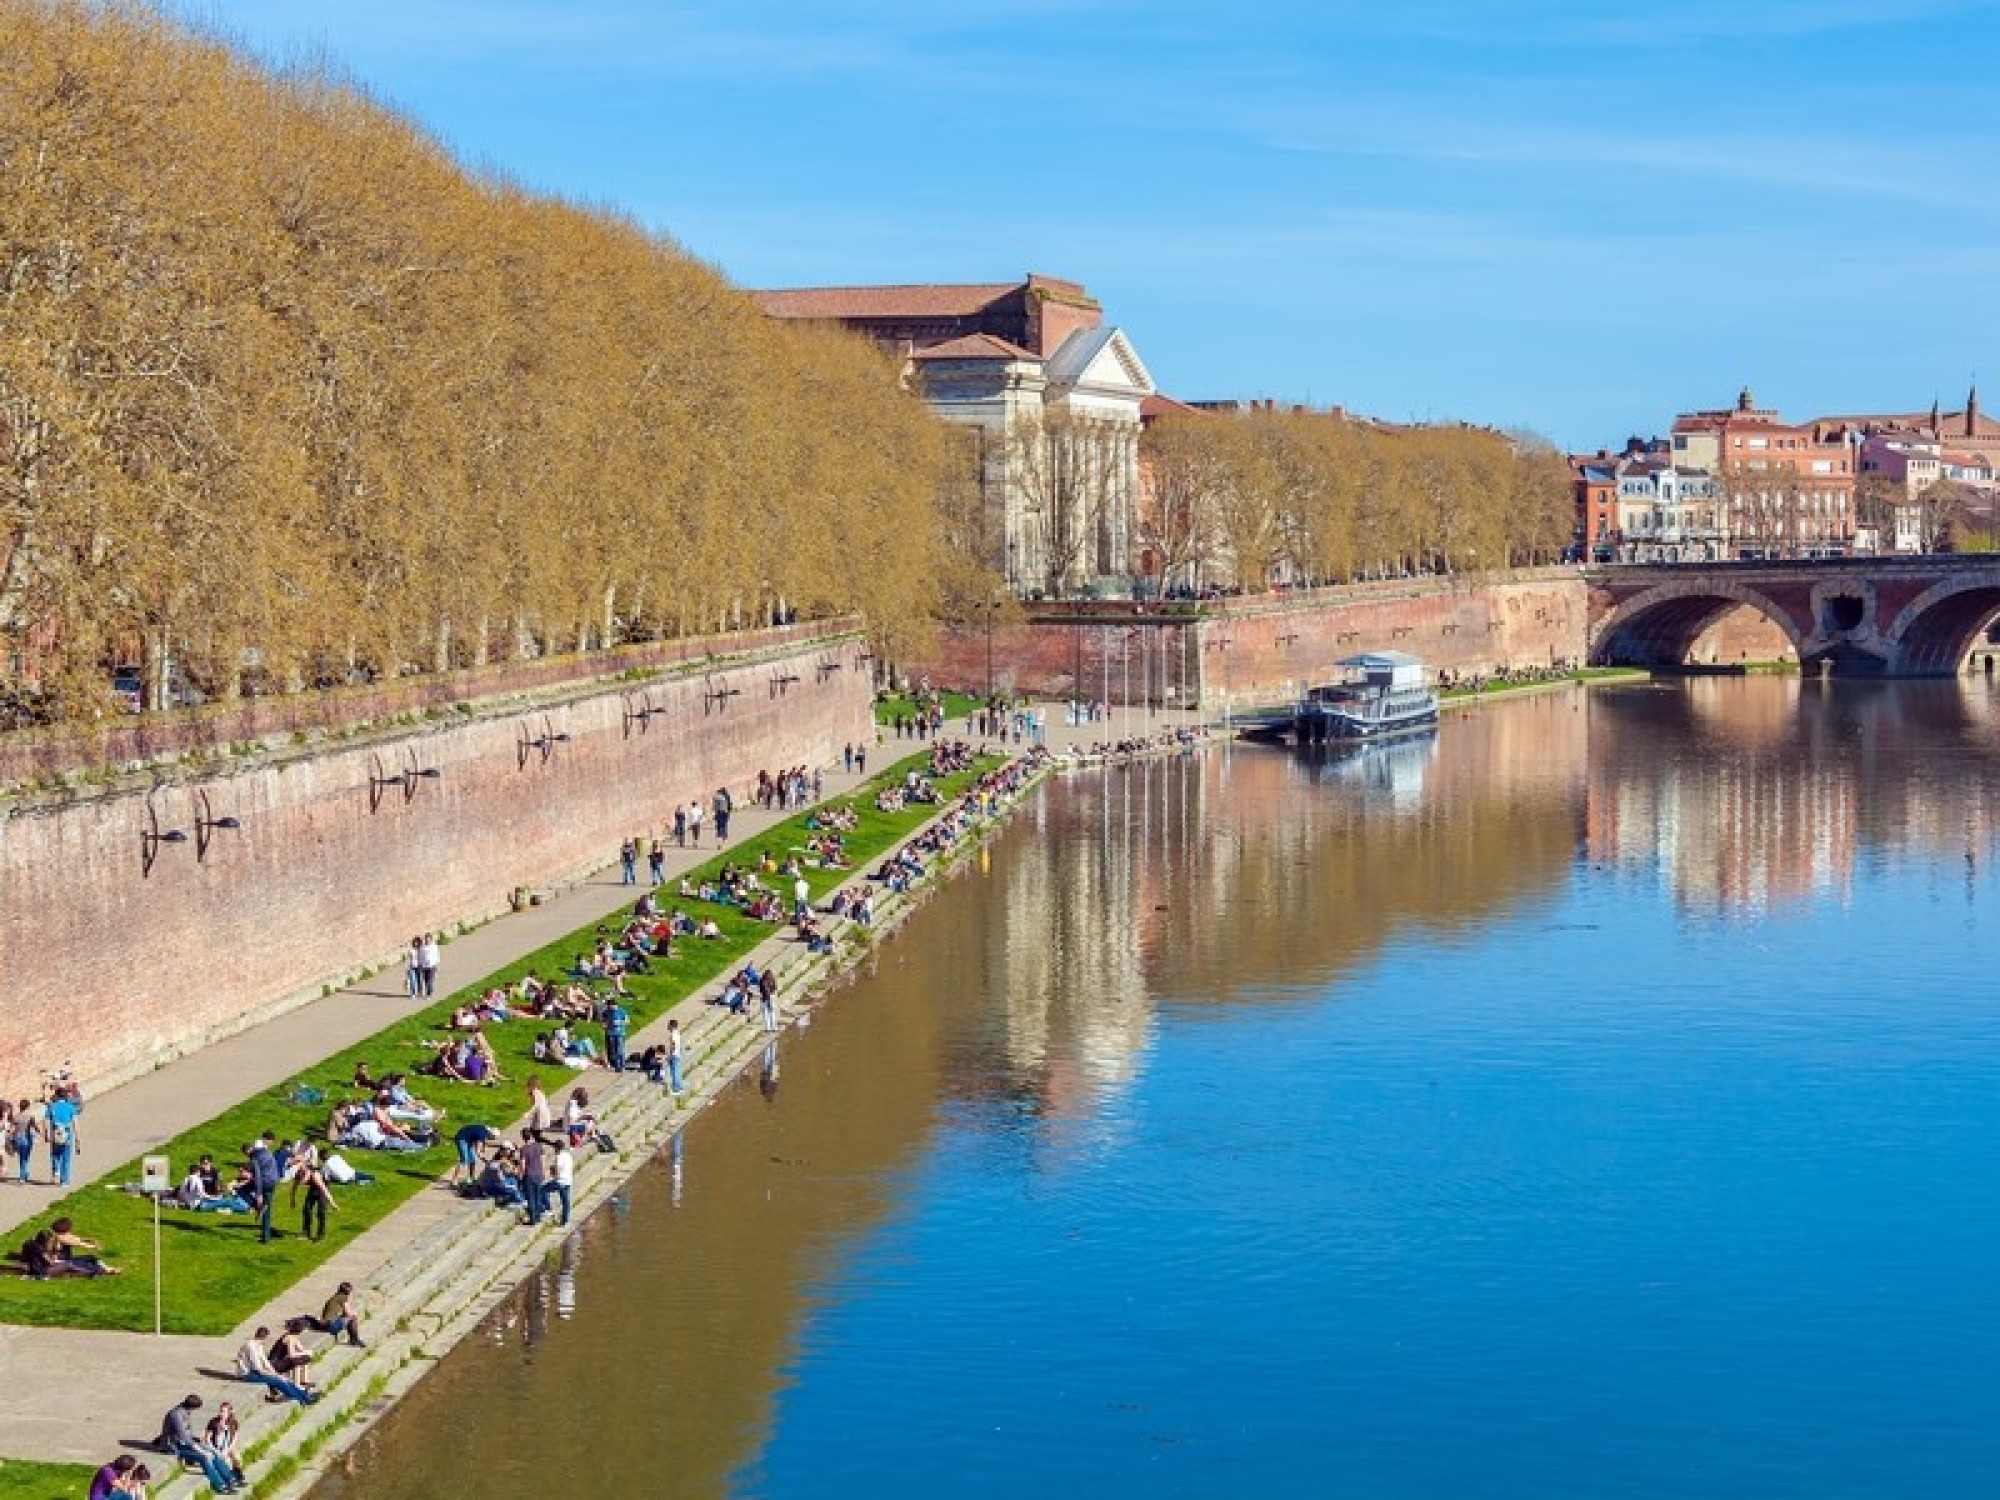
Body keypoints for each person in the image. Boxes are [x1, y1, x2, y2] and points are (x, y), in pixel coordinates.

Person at [158, 1395, 237, 1494]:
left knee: (214, 1453)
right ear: (192, 1407)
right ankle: (220, 1485)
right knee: (204, 1457)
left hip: (184, 1443)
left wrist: (205, 1448)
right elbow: (185, 1438)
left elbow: (188, 1436)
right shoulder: (176, 1415)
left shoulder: (184, 1410)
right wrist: (202, 1451)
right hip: (173, 1446)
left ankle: (230, 1479)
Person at [235, 1326, 316, 1405]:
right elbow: (258, 1368)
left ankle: (304, 1395)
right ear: (265, 1337)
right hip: (247, 1374)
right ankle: (303, 1399)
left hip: (254, 1372)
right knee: (279, 1381)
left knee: (284, 1379)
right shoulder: (251, 1347)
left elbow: (265, 1361)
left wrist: (275, 1373)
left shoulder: (258, 1345)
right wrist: (275, 1375)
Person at [204, 1401, 245, 1491]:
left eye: (224, 1411)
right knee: (226, 1461)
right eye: (221, 1411)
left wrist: (229, 1449)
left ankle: (238, 1475)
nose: (221, 1414)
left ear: (229, 1413)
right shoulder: (213, 1422)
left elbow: (235, 1437)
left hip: (227, 1447)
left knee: (236, 1457)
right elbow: (207, 1440)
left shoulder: (233, 1423)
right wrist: (216, 1451)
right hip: (216, 1448)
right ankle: (230, 1480)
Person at [309, 1281, 366, 1347]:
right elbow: (348, 1313)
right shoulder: (343, 1297)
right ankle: (354, 1340)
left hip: (325, 1323)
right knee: (353, 1318)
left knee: (347, 1318)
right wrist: (354, 1312)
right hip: (331, 1325)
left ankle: (353, 1339)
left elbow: (343, 1314)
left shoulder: (336, 1296)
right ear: (349, 1291)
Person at [519, 1128, 548, 1225]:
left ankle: (533, 1219)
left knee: (531, 1197)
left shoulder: (523, 1149)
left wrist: (521, 1176)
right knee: (538, 1196)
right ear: (531, 1135)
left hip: (529, 1175)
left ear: (523, 1138)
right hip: (539, 1174)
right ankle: (538, 1216)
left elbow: (523, 1165)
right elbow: (543, 1161)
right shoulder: (539, 1146)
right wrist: (544, 1173)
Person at [548, 1138, 575, 1227]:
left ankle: (547, 1210)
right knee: (566, 1200)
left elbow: (557, 1172)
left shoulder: (558, 1157)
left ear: (556, 1148)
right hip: (568, 1180)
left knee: (542, 1191)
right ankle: (565, 1219)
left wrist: (552, 1171)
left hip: (560, 1182)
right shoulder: (568, 1155)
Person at [9, 1099, 37, 1183]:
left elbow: (12, 1129)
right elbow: (34, 1127)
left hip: (18, 1139)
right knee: (24, 1158)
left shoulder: (16, 1117)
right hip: (27, 1139)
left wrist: (10, 1137)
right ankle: (22, 1176)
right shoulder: (30, 1117)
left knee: (22, 1157)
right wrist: (40, 1133)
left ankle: (25, 1172)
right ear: (28, 1107)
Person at [602, 996, 629, 1073]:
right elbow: (604, 1022)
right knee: (613, 1050)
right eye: (609, 1007)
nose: (611, 1008)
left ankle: (622, 1065)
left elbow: (627, 1021)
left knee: (619, 1049)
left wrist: (620, 1022)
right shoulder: (606, 1012)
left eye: (611, 1006)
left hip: (620, 1033)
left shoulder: (621, 1011)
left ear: (615, 1005)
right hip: (611, 1033)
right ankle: (617, 1066)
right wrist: (604, 1025)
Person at [418, 932, 442, 998]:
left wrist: (437, 964)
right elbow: (420, 956)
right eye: (426, 939)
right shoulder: (422, 947)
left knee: (430, 980)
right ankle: (429, 990)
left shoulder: (434, 946)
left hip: (432, 966)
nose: (427, 940)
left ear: (431, 940)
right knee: (425, 980)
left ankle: (429, 994)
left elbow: (437, 955)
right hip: (424, 966)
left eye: (428, 939)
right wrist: (420, 965)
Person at [666, 1019, 684, 1095]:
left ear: (672, 1026)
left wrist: (670, 1055)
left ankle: (676, 1088)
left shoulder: (673, 1035)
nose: (667, 1026)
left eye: (668, 1025)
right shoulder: (677, 1033)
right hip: (677, 1054)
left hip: (674, 1055)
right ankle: (679, 1086)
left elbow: (673, 1045)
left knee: (675, 1072)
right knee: (677, 1071)